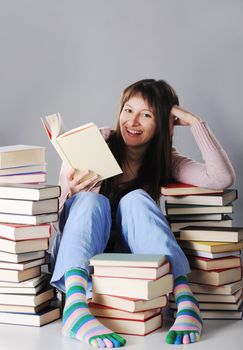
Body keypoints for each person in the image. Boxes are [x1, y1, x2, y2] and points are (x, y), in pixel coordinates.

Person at [50, 79, 235, 347]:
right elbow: (53, 220)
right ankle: (76, 308)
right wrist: (69, 191)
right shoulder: (98, 142)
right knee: (91, 201)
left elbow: (220, 178)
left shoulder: (165, 160)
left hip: (130, 263)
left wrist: (196, 123)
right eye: (128, 110)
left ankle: (186, 302)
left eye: (146, 115)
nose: (132, 121)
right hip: (81, 257)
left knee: (136, 199)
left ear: (163, 124)